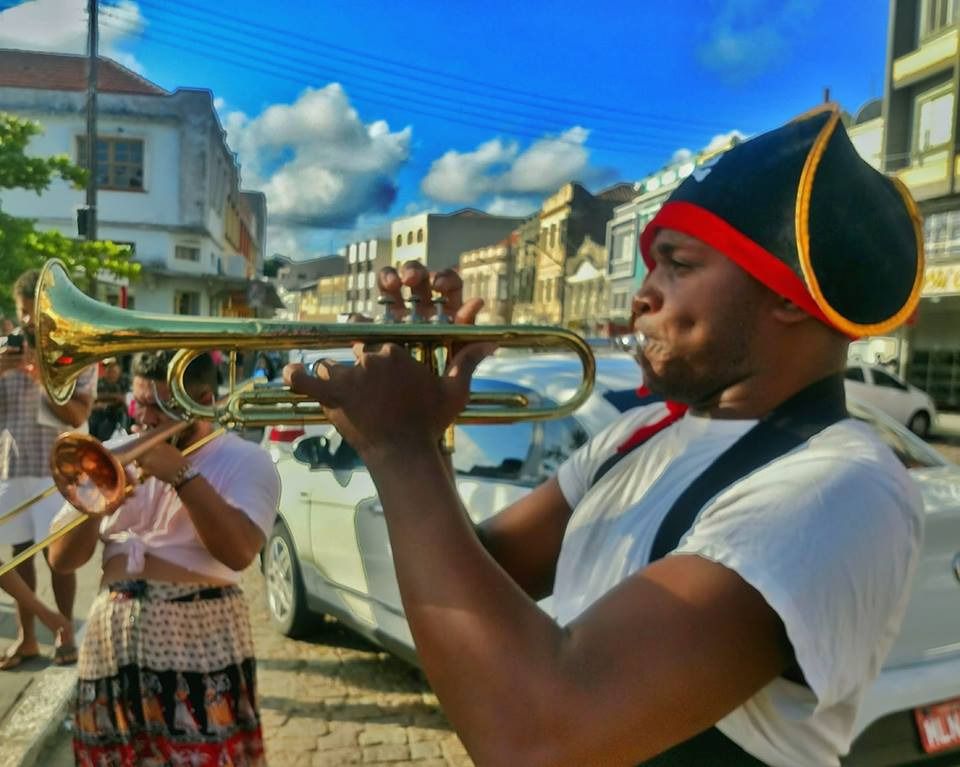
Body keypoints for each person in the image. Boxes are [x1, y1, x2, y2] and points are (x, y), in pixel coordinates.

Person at [285, 104, 926, 766]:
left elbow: (540, 734)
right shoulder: (642, 431)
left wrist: (399, 446)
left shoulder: (843, 482)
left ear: (788, 293)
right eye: (649, 264)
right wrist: (433, 437)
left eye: (677, 264)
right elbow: (474, 587)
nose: (641, 295)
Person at [48, 351, 280, 766]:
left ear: (204, 400)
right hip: (111, 649)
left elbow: (240, 551)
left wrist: (181, 475)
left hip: (198, 649)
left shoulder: (248, 460)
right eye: (141, 404)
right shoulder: (111, 451)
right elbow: (61, 560)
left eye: (160, 407)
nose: (146, 418)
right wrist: (97, 496)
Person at [0, 268, 92, 669]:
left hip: (59, 470)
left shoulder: (76, 353)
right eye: (21, 312)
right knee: (19, 556)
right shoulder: (5, 349)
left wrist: (40, 375)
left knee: (61, 561)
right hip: (12, 465)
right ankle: (28, 639)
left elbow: (76, 414)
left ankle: (65, 633)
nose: (25, 321)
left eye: (31, 311)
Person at [88, 358, 129, 441]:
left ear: (119, 368)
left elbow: (125, 398)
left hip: (119, 416)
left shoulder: (126, 381)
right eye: (107, 367)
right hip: (99, 416)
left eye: (112, 366)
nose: (109, 369)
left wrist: (107, 402)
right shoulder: (99, 382)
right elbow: (91, 398)